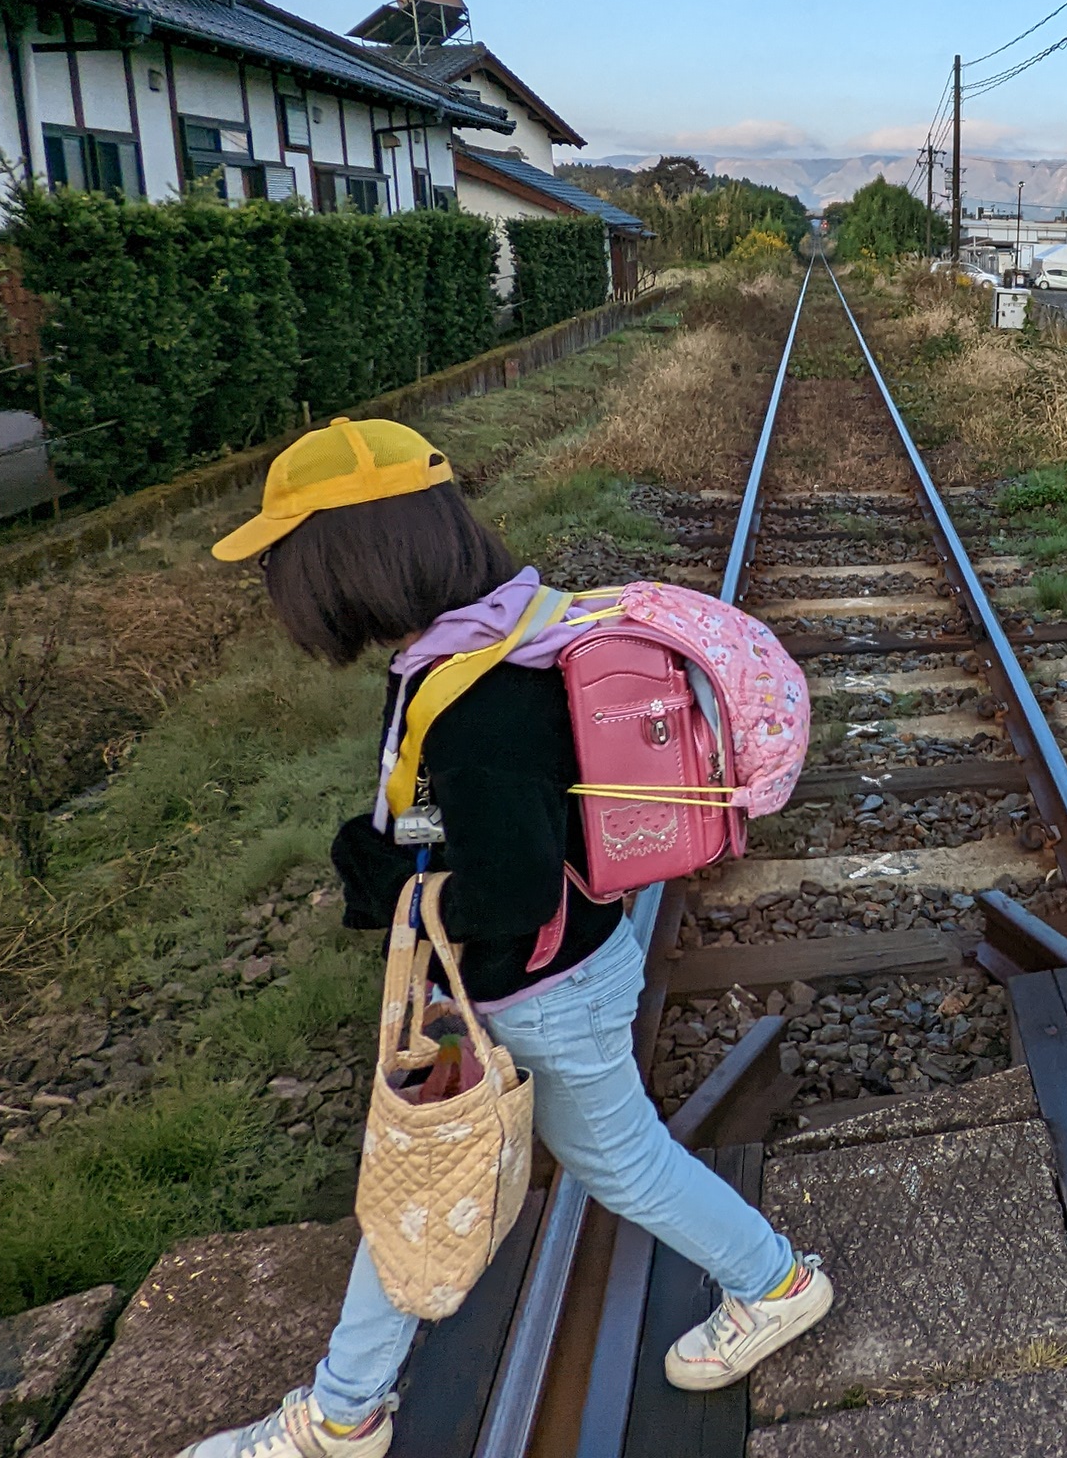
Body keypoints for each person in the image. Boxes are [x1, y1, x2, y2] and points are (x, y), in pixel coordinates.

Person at [181, 420, 828, 1458]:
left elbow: (512, 885)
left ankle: (344, 1415)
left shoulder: (478, 699)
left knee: (452, 1181)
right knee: (519, 1169)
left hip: (535, 988)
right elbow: (499, 826)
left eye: (286, 562)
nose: (280, 587)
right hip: (551, 971)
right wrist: (400, 846)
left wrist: (387, 882)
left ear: (349, 561)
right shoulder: (492, 634)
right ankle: (347, 1410)